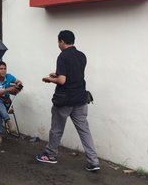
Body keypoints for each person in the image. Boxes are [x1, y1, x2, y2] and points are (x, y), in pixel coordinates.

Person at [35, 30, 100, 172]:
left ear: (62, 41)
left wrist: (50, 79)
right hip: (81, 99)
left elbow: (62, 80)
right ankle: (93, 162)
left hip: (65, 100)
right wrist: (57, 74)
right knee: (84, 131)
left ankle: (50, 154)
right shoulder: (82, 55)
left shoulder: (62, 56)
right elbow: (73, 74)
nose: (58, 44)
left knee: (57, 129)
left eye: (59, 42)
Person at [0, 61, 22, 145]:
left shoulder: (9, 77)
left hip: (6, 103)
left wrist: (18, 85)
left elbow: (19, 81)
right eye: (1, 69)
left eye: (5, 69)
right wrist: (8, 90)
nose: (3, 71)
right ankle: (8, 120)